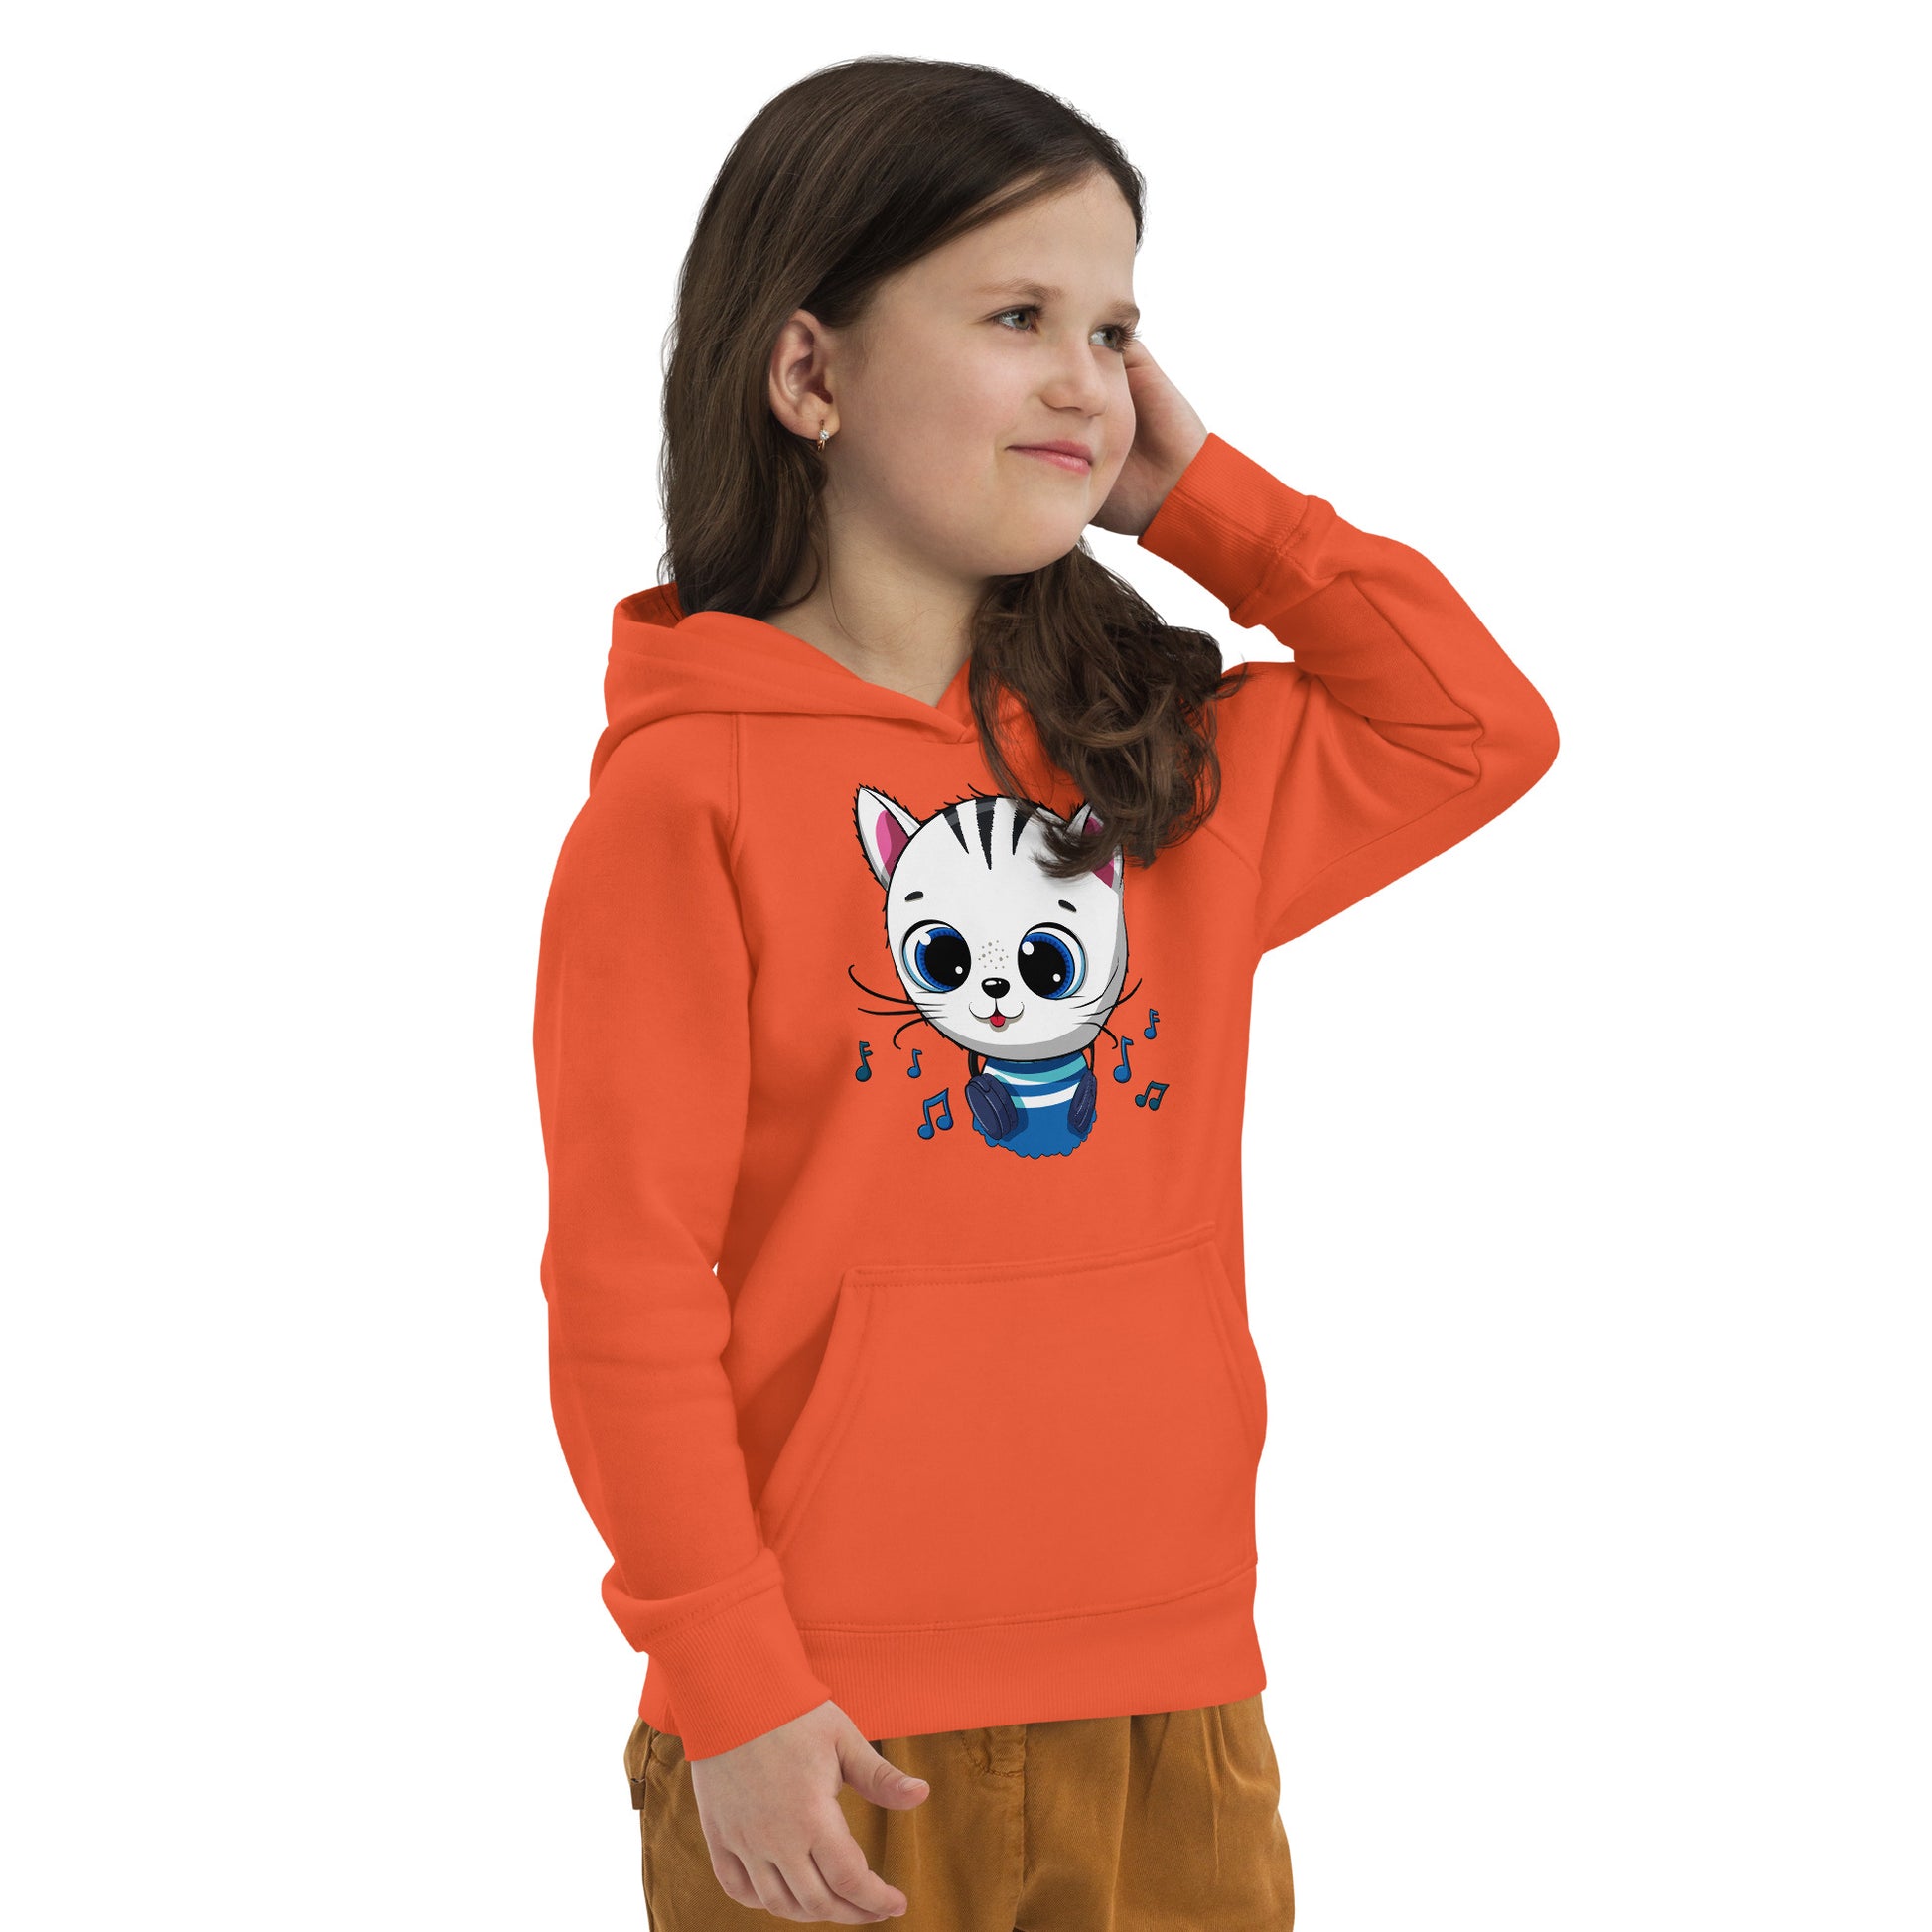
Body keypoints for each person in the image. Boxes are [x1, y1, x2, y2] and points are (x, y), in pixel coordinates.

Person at [532, 55, 1559, 1931]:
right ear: (808, 372)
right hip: (817, 1717)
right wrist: (729, 1673)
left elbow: (1475, 728)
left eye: (1114, 329)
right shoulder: (689, 795)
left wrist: (1207, 500)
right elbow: (623, 1284)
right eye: (1017, 318)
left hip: (1171, 1681)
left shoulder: (1159, 770)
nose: (1088, 379)